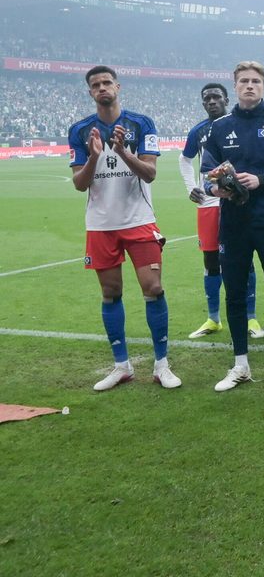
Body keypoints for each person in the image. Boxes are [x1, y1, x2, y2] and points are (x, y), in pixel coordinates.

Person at [69, 65, 179, 391]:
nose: (102, 88)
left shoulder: (142, 124)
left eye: (107, 82)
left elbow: (150, 173)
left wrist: (122, 152)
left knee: (153, 288)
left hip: (139, 220)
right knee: (110, 293)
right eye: (96, 85)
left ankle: (162, 365)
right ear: (91, 92)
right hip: (101, 225)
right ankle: (122, 366)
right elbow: (79, 184)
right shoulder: (80, 130)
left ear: (117, 86)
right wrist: (93, 157)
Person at [201, 61, 264, 393]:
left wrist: (262, 179)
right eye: (244, 81)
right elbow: (207, 173)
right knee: (236, 294)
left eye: (256, 81)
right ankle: (240, 364)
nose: (250, 86)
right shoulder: (219, 127)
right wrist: (216, 189)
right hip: (233, 223)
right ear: (235, 85)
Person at [179, 83, 261, 340]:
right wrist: (191, 187)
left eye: (216, 97)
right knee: (211, 261)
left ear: (226, 98)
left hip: (238, 202)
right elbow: (185, 159)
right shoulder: (199, 131)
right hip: (209, 203)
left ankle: (251, 319)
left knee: (245, 259)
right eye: (207, 99)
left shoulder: (236, 124)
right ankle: (213, 319)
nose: (212, 101)